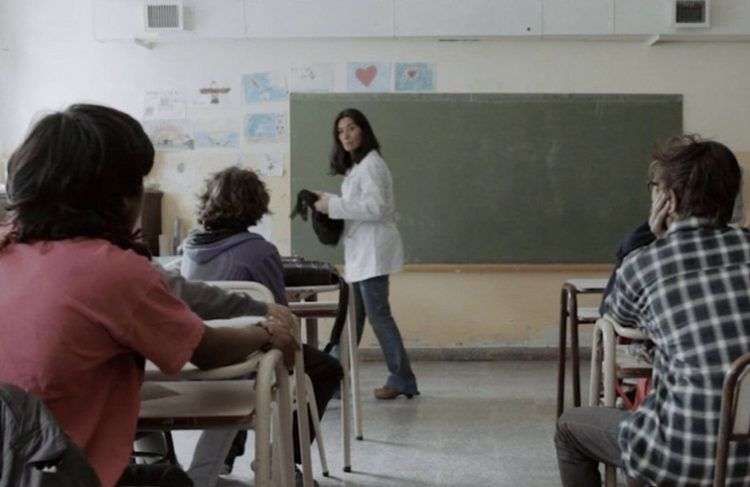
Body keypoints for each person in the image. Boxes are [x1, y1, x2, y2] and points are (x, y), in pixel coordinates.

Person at [0, 104, 298, 487]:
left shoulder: (8, 250)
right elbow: (206, 348)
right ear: (120, 196)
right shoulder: (110, 268)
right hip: (66, 474)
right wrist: (265, 331)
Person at [555, 135, 750, 486]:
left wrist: (652, 244)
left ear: (669, 199)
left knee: (570, 428)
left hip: (684, 456)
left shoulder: (644, 264)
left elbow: (615, 320)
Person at [180, 166, 343, 487]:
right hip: (247, 355)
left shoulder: (190, 245)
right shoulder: (259, 250)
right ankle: (282, 459)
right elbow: (279, 313)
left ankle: (227, 457)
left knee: (253, 373)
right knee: (326, 370)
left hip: (202, 352)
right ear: (255, 204)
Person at [314, 108, 419, 400]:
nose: (345, 136)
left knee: (378, 316)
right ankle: (333, 379)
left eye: (351, 128)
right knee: (354, 318)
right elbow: (359, 207)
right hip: (363, 253)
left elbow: (376, 208)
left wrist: (333, 206)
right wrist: (330, 202)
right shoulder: (357, 167)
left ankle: (402, 379)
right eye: (340, 131)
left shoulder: (372, 165)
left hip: (373, 252)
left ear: (364, 130)